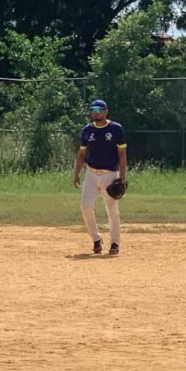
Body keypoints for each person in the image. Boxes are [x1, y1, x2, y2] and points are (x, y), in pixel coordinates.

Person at [73, 99, 128, 255]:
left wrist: (122, 177)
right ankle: (96, 239)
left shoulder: (116, 129)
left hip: (110, 173)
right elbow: (82, 153)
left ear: (106, 111)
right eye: (93, 110)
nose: (95, 112)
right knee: (85, 206)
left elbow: (122, 154)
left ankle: (115, 243)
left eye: (98, 109)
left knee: (111, 208)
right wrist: (76, 173)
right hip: (91, 173)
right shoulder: (87, 130)